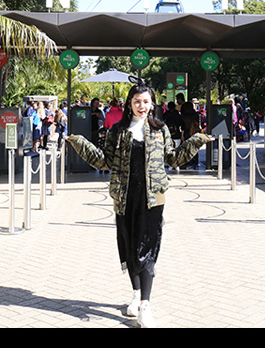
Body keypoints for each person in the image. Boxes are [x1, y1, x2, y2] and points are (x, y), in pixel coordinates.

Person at [66, 79, 214, 328]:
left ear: (152, 104)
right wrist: (80, 143)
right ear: (129, 104)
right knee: (129, 247)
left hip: (152, 199)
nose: (141, 106)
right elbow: (104, 162)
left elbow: (174, 159)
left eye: (146, 101)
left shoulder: (159, 129)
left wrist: (195, 140)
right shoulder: (117, 130)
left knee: (147, 250)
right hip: (124, 198)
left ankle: (146, 304)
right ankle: (136, 294)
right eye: (137, 101)